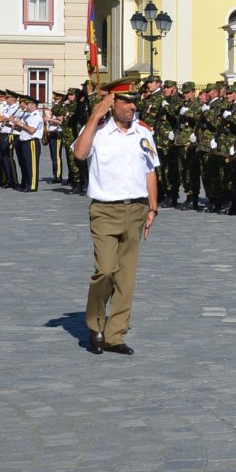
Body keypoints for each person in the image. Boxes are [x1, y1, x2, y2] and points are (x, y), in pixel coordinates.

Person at [72, 79, 160, 356]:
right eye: (127, 102)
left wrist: (153, 207)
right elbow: (79, 153)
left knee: (126, 278)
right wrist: (94, 116)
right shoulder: (97, 131)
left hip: (135, 210)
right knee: (106, 270)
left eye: (135, 102)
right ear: (113, 104)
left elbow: (150, 170)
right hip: (105, 210)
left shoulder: (143, 132)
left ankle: (115, 334)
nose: (133, 107)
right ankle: (95, 323)